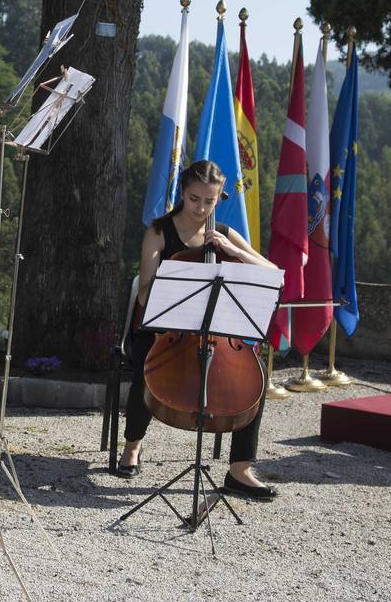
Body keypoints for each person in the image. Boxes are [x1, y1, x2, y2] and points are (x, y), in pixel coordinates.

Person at [116, 160, 281, 500]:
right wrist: (172, 279)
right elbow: (145, 293)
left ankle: (239, 470)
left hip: (215, 332)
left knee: (257, 376)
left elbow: (272, 271)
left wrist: (234, 250)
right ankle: (132, 446)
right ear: (182, 193)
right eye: (194, 199)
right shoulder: (159, 232)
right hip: (165, 327)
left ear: (220, 198)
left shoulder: (224, 232)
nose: (201, 208)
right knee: (146, 363)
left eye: (210, 201)